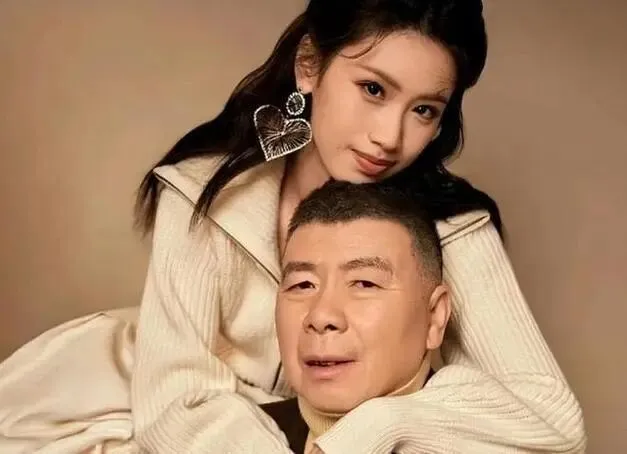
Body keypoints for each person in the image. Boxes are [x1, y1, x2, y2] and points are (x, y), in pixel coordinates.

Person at [0, 0, 586, 453]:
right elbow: (175, 402)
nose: (389, 137)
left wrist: (380, 426)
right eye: (373, 89)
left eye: (424, 110)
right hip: (121, 413)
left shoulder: (451, 225)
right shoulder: (205, 191)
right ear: (310, 65)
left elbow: (553, 419)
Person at [260, 180, 452, 454]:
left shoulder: (487, 441)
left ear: (434, 318)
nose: (321, 316)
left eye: (364, 283)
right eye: (303, 285)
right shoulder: (234, 436)